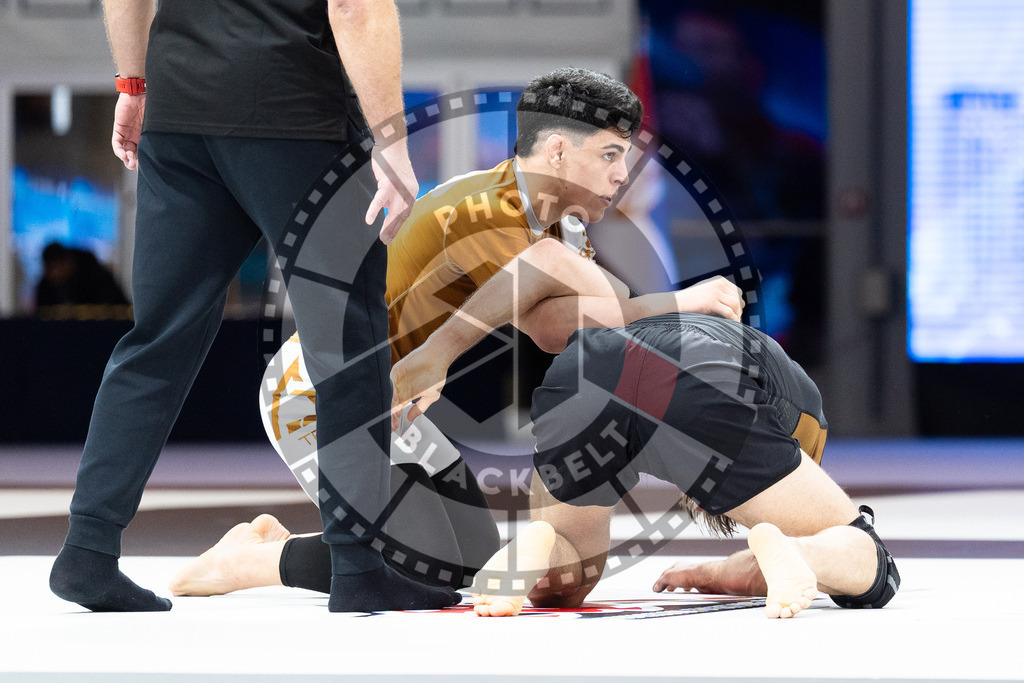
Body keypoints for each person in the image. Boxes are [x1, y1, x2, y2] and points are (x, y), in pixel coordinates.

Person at [169, 67, 747, 600]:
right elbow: (586, 303)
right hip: (319, 392)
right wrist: (679, 301)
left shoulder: (551, 224)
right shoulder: (487, 213)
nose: (624, 174)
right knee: (421, 565)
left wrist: (631, 302)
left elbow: (549, 329)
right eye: (613, 155)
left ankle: (272, 545)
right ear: (560, 151)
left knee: (473, 561)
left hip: (390, 399)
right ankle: (248, 563)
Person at [48, 0, 459, 614]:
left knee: (156, 339)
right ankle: (357, 565)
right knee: (346, 340)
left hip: (179, 109)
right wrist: (392, 143)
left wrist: (133, 85)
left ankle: (87, 549)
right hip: (294, 111)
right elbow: (355, 7)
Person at [465, 312, 900, 619]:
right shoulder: (807, 416)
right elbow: (789, 541)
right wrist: (800, 547)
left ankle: (542, 541)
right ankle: (805, 552)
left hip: (584, 368)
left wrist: (711, 574)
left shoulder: (735, 351)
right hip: (696, 371)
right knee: (864, 554)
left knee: (568, 578)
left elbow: (759, 555)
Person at [35, 242, 130, 314]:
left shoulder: (96, 279)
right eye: (48, 269)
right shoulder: (46, 285)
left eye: (54, 268)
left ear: (67, 262)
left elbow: (117, 309)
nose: (52, 274)